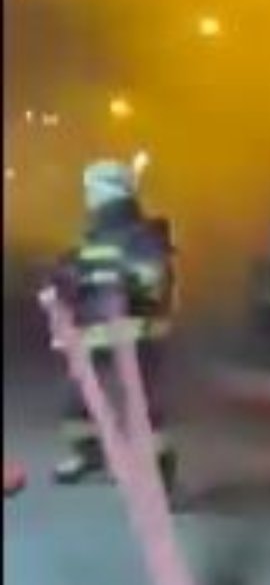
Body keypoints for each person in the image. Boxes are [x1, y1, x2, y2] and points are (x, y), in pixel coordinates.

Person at [43, 159, 178, 491]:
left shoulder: (141, 235)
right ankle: (90, 455)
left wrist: (118, 284)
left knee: (140, 408)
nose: (87, 196)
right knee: (78, 403)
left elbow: (151, 279)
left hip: (133, 335)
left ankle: (158, 476)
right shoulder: (94, 235)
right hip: (93, 334)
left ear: (108, 192)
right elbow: (76, 274)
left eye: (91, 189)